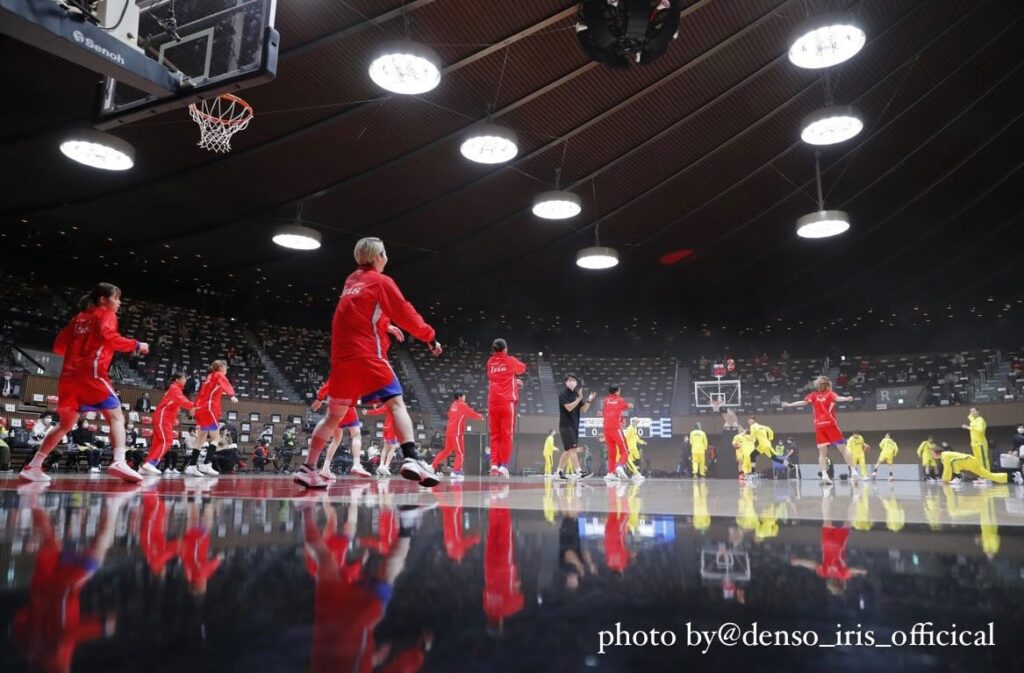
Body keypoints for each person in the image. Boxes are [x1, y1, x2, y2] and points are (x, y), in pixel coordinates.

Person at [301, 237, 443, 489]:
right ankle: (411, 457)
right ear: (379, 256)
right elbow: (406, 312)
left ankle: (308, 468)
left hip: (341, 359)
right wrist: (430, 338)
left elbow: (354, 313)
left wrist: (384, 323)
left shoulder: (351, 281)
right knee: (396, 403)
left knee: (332, 416)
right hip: (368, 354)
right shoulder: (381, 281)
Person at [18, 283, 149, 483]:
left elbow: (59, 346)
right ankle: (119, 461)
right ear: (103, 300)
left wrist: (81, 348)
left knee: (64, 425)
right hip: (92, 373)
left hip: (69, 377)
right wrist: (137, 344)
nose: (119, 302)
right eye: (116, 298)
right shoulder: (105, 314)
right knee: (116, 417)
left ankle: (34, 465)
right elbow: (110, 337)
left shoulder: (78, 318)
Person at [781, 376, 857, 485]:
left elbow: (803, 402)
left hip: (819, 426)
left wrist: (789, 405)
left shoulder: (813, 395)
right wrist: (847, 399)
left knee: (822, 454)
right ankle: (853, 471)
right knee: (844, 449)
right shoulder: (830, 394)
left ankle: (825, 475)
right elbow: (838, 398)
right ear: (828, 386)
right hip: (831, 425)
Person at [185, 360, 238, 477]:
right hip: (210, 409)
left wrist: (194, 408)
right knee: (216, 437)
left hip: (201, 409)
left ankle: (192, 466)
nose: (226, 370)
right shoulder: (218, 375)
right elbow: (226, 384)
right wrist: (232, 395)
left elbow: (202, 394)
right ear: (221, 367)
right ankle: (206, 463)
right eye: (226, 367)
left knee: (201, 439)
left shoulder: (209, 377)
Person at [311, 380, 370, 480]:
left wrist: (319, 399)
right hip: (347, 406)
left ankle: (325, 468)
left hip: (333, 408)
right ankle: (356, 464)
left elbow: (325, 387)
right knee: (356, 435)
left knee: (336, 439)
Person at [486, 338, 526, 478]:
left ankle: (494, 465)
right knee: (506, 435)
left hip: (492, 402)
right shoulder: (510, 360)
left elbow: (498, 378)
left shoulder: (490, 362)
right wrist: (515, 380)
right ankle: (504, 465)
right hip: (506, 402)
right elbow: (522, 368)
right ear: (505, 349)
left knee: (495, 435)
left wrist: (514, 381)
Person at [140, 372, 194, 476]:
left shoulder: (177, 390)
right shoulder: (174, 388)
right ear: (177, 380)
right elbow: (183, 401)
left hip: (165, 419)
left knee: (157, 443)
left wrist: (192, 408)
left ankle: (145, 466)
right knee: (167, 440)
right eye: (183, 378)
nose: (185, 380)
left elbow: (182, 402)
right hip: (163, 418)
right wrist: (194, 406)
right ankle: (152, 463)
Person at [431, 392, 484, 481]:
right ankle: (456, 471)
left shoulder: (453, 404)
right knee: (460, 452)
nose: (465, 397)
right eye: (464, 395)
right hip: (456, 432)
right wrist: (480, 417)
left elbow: (449, 414)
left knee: (446, 451)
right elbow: (471, 413)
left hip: (449, 431)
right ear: (460, 397)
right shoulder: (462, 404)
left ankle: (432, 466)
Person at [556, 374, 596, 479]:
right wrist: (579, 399)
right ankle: (579, 472)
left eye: (574, 380)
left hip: (574, 426)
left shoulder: (576, 395)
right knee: (573, 450)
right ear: (565, 382)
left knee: (567, 451)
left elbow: (584, 409)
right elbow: (568, 408)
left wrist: (589, 400)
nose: (572, 382)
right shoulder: (563, 395)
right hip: (566, 426)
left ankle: (558, 472)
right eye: (570, 380)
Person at [600, 386, 632, 482]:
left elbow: (604, 411)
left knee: (611, 452)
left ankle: (610, 473)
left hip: (606, 428)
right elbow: (627, 406)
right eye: (620, 390)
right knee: (625, 451)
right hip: (615, 427)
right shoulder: (620, 400)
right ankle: (620, 466)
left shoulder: (605, 400)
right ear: (617, 392)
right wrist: (630, 405)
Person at [941, 449, 1023, 485]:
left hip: (969, 461)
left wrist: (945, 479)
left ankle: (958, 476)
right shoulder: (945, 454)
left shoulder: (944, 455)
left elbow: (947, 468)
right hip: (971, 463)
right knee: (989, 475)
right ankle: (1013, 476)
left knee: (952, 462)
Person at [962, 408, 990, 480]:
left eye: (974, 411)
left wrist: (969, 427)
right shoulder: (973, 420)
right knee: (978, 461)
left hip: (980, 443)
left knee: (983, 460)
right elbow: (969, 416)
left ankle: (987, 476)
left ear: (978, 412)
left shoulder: (980, 420)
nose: (972, 412)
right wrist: (970, 414)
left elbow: (980, 430)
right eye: (971, 411)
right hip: (974, 444)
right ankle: (982, 476)